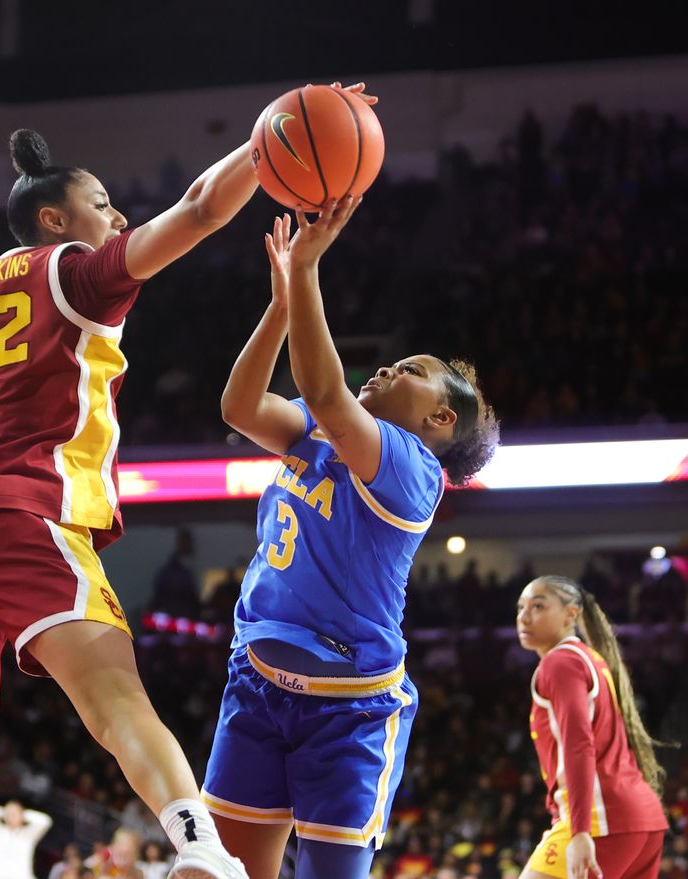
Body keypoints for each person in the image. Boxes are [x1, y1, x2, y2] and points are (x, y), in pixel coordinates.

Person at [0, 88, 396, 878]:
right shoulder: (80, 274)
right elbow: (198, 209)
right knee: (116, 700)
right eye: (103, 203)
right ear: (55, 221)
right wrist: (272, 141)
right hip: (22, 511)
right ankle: (202, 852)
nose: (120, 218)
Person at [202, 197, 499, 879]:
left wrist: (306, 270)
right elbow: (239, 406)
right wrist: (282, 302)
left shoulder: (413, 468)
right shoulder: (322, 425)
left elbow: (327, 390)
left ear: (439, 418)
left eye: (411, 370)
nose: (390, 368)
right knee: (223, 872)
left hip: (349, 710)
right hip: (257, 682)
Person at [515, 576, 670, 879]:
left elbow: (579, 744)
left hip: (602, 821)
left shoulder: (559, 663)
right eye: (521, 607)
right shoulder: (590, 658)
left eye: (538, 606)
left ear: (571, 613)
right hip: (642, 819)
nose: (524, 616)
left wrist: (580, 832)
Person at [0, 802, 51, 879]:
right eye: (9, 813)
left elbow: (45, 821)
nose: (11, 816)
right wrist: (5, 811)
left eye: (15, 814)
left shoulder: (28, 835)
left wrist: (23, 814)